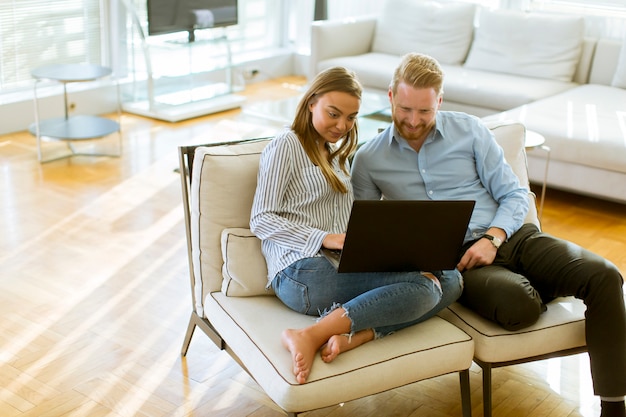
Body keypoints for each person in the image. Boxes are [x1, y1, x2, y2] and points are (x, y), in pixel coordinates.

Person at [351, 52, 626, 417]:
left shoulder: (471, 131)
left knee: (605, 276)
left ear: (440, 101)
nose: (413, 121)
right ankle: (533, 284)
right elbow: (372, 235)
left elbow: (513, 194)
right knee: (518, 306)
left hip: (511, 236)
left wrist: (493, 237)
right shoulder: (369, 159)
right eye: (405, 109)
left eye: (425, 111)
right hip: (461, 263)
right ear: (390, 96)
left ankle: (614, 407)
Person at [249, 66, 463, 385]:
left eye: (350, 118)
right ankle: (309, 335)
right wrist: (327, 238)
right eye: (333, 114)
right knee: (424, 287)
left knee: (451, 279)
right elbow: (261, 218)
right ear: (311, 103)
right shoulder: (286, 145)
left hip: (343, 263)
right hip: (299, 272)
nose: (342, 126)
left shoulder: (337, 153)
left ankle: (361, 334)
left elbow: (349, 217)